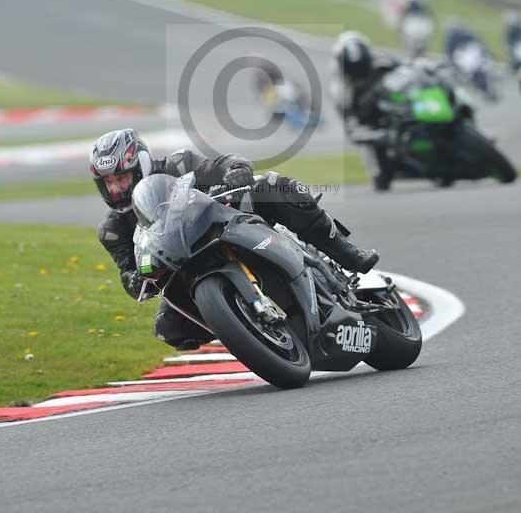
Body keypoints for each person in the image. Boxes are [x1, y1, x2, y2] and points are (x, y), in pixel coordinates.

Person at [90, 129, 379, 350]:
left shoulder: (177, 166)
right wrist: (137, 279)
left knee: (275, 186)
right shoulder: (113, 229)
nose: (116, 190)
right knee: (169, 328)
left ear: (140, 165)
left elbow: (222, 164)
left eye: (122, 179)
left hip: (226, 225)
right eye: (109, 184)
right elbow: (128, 273)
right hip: (184, 267)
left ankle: (345, 252)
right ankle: (244, 327)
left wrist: (236, 172)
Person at [330, 31, 399, 191]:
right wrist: (372, 134)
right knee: (380, 178)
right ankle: (377, 172)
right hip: (370, 120)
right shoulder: (340, 87)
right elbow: (351, 128)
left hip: (395, 107)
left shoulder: (384, 61)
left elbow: (409, 74)